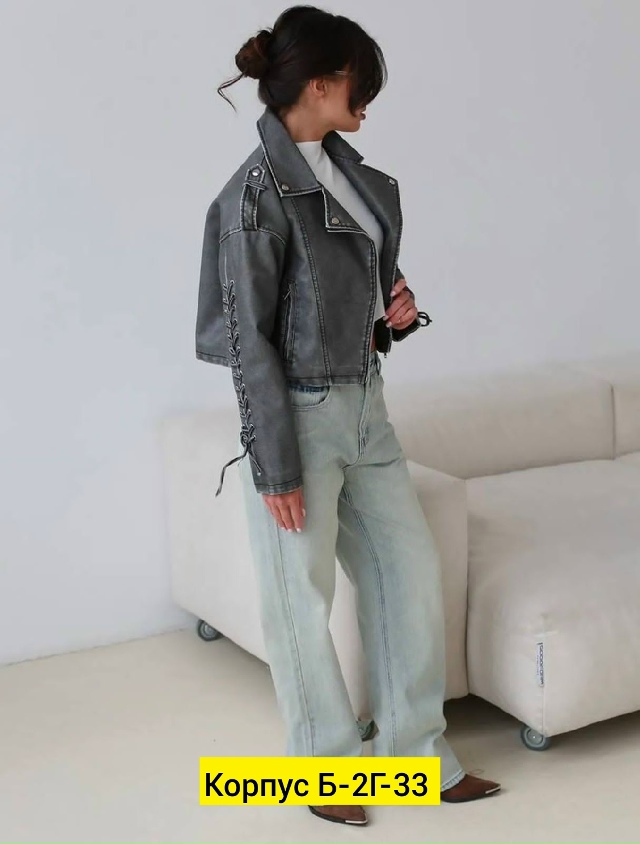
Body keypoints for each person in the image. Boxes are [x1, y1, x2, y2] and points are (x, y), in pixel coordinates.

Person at [195, 5, 501, 827]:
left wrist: (389, 313)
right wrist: (274, 464)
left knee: (409, 574)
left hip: (367, 405)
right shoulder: (253, 196)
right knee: (300, 599)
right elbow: (249, 342)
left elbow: (340, 292)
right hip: (297, 417)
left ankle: (413, 757)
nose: (368, 98)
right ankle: (324, 770)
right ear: (321, 84)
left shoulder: (346, 171)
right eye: (358, 82)